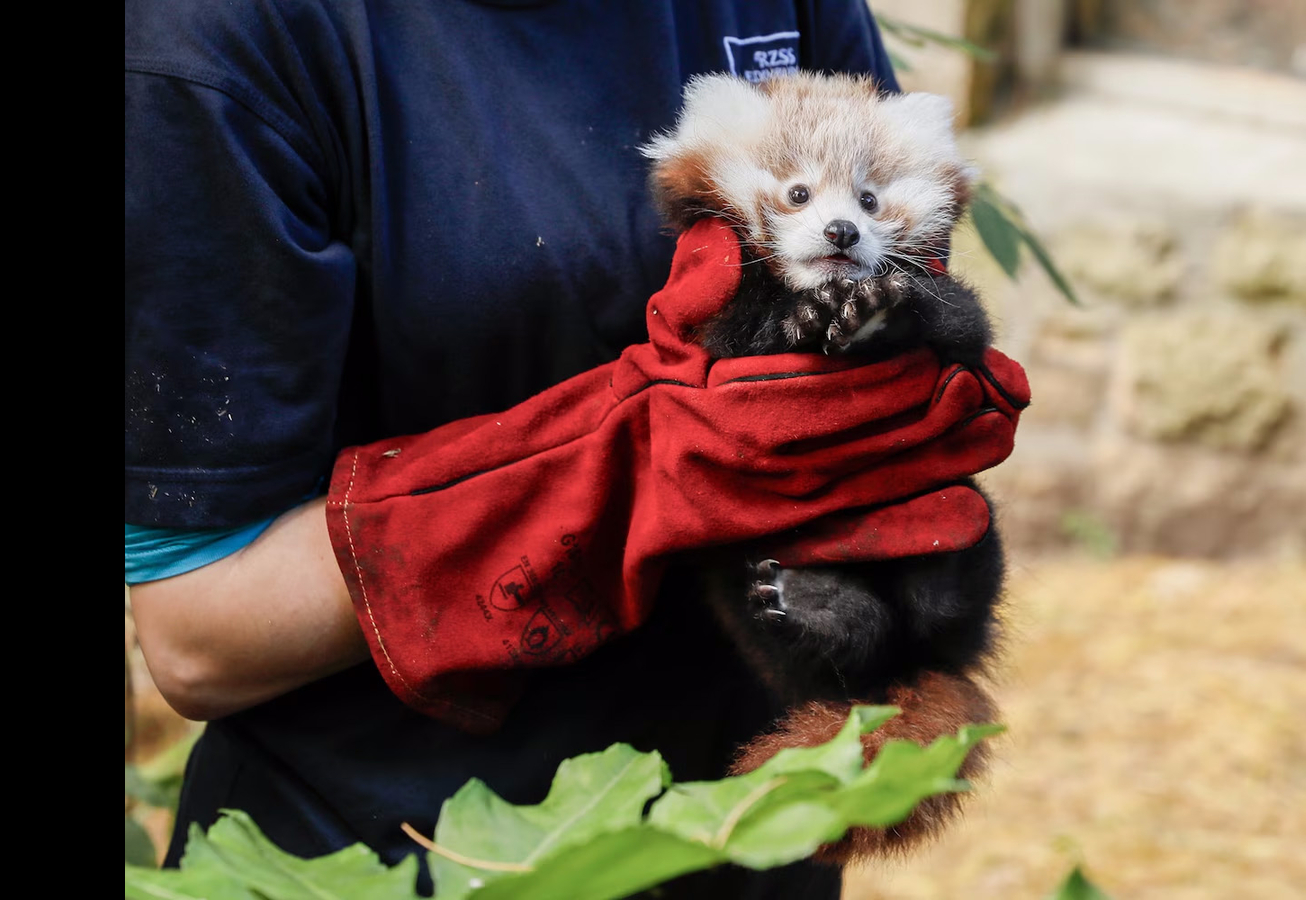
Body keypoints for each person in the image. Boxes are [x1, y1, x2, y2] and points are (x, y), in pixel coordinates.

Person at [126, 2, 1016, 896]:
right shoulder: (215, 43)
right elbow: (199, 640)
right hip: (391, 853)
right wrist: (625, 474)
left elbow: (907, 289)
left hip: (751, 822)